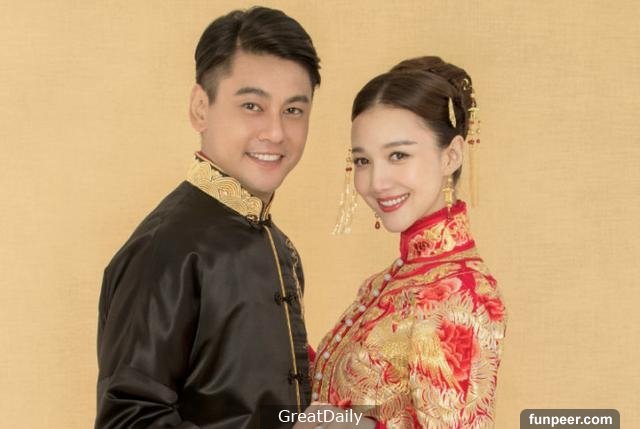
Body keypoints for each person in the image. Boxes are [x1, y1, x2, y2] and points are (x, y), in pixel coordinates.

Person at [95, 6, 320, 428]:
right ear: (201, 107)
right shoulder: (164, 249)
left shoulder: (277, 246)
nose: (275, 132)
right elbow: (128, 419)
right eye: (252, 105)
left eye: (293, 110)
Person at [305, 57, 506, 428]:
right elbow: (335, 396)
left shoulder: (458, 292)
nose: (376, 182)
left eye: (398, 155)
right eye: (362, 161)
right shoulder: (387, 282)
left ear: (451, 155)